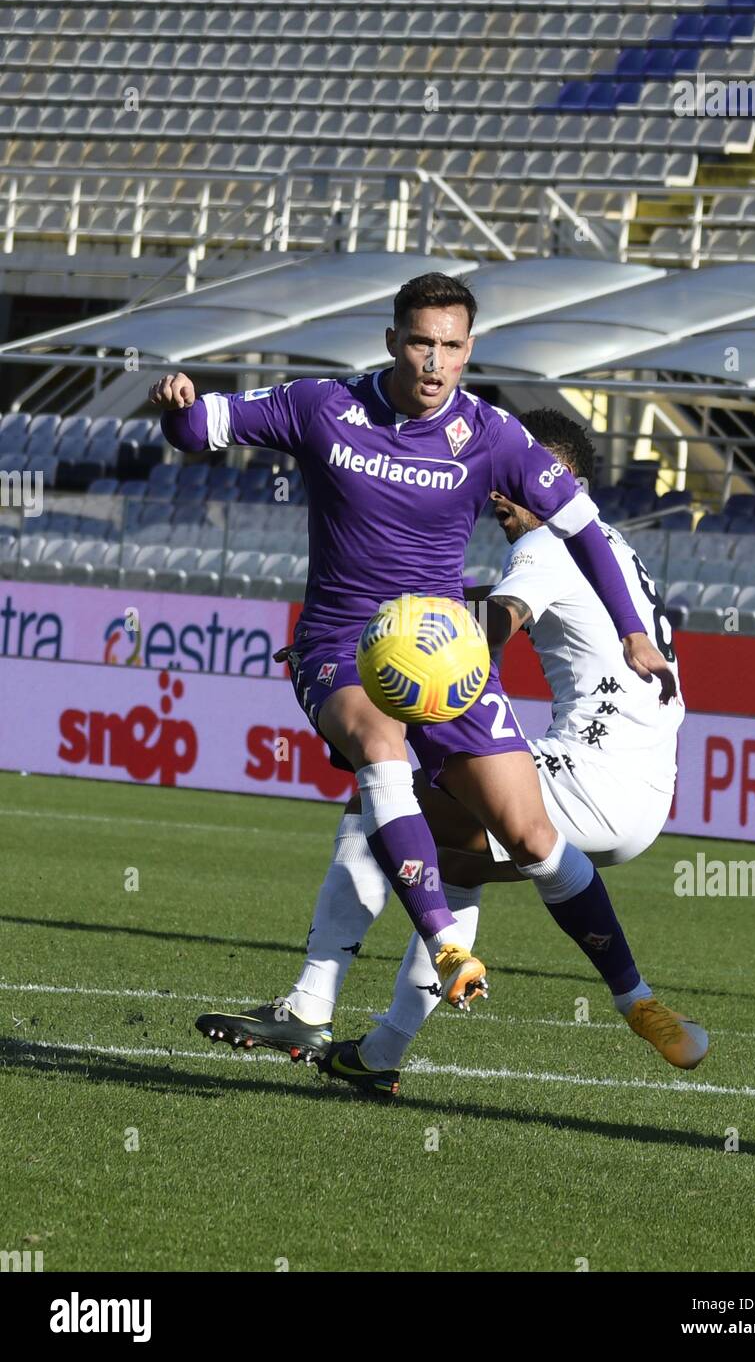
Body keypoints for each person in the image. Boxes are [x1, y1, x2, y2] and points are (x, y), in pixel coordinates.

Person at [149, 272, 673, 1066]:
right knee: (380, 750)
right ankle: (443, 949)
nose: (434, 362)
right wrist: (180, 406)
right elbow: (201, 431)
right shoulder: (325, 407)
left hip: (447, 658)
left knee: (531, 834)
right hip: (343, 645)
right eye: (421, 343)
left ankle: (637, 1001)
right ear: (394, 340)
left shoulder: (493, 436)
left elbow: (586, 529)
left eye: (451, 347)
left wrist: (635, 635)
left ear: (469, 352)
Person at [287, 409, 705, 1096]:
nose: (495, 492)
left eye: (510, 477)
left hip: (590, 777)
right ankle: (382, 1055)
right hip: (645, 794)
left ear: (553, 475)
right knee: (447, 858)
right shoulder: (606, 542)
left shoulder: (544, 545)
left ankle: (312, 999)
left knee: (378, 807)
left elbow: (497, 624)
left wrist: (397, 653)